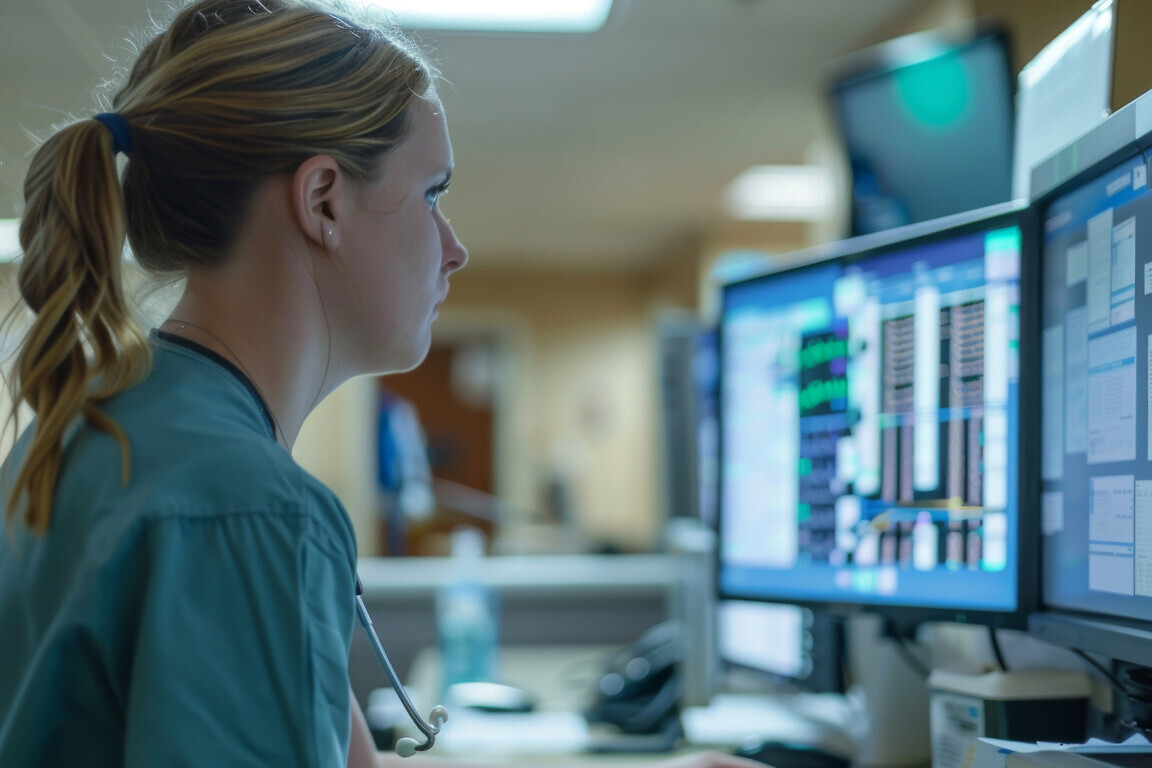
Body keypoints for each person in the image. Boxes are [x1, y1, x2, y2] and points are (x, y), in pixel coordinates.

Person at [0, 2, 763, 768]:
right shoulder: (246, 507)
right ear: (323, 200)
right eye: (433, 193)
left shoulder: (102, 424)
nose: (454, 248)